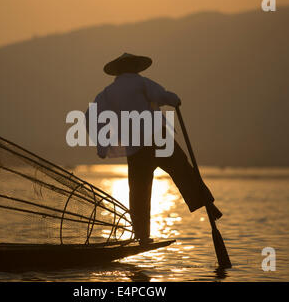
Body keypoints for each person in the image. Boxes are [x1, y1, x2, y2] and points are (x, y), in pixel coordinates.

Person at [86, 53, 221, 244]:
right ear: (135, 68)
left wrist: (102, 146)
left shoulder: (107, 93)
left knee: (138, 190)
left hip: (136, 148)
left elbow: (90, 116)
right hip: (158, 139)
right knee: (183, 170)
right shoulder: (141, 83)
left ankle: (142, 234)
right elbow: (162, 95)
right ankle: (206, 204)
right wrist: (174, 99)